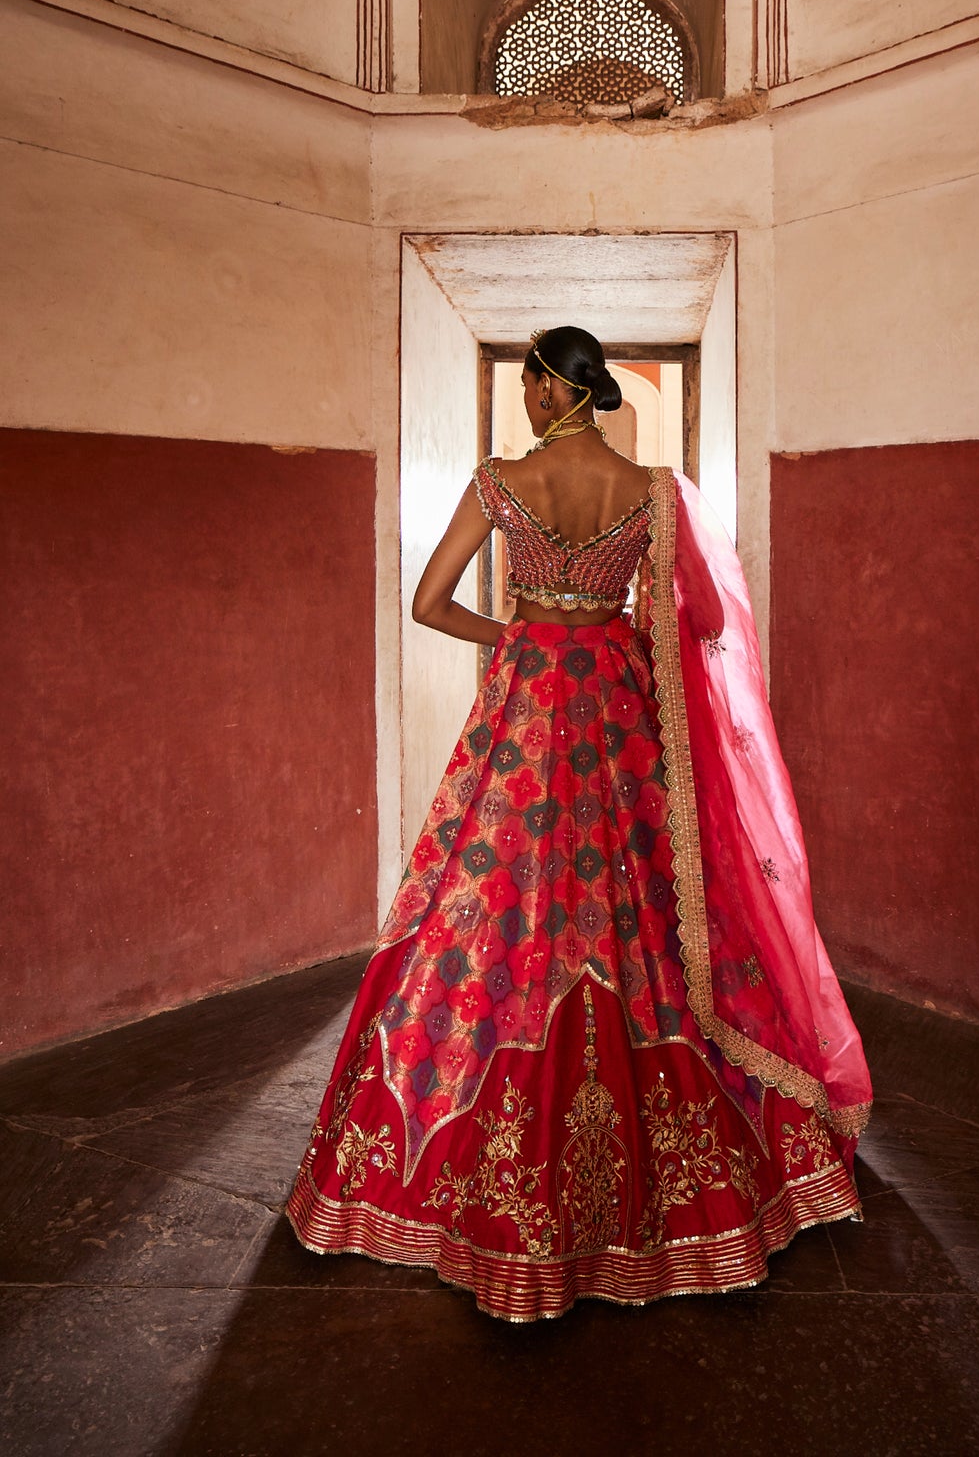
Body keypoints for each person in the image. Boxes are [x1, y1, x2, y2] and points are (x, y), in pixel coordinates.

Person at [286, 325, 871, 1321]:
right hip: (615, 699)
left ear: (555, 391)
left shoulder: (499, 481)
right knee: (644, 900)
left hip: (527, 705)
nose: (527, 403)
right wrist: (626, 638)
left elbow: (432, 603)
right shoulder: (651, 488)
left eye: (531, 387)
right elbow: (706, 624)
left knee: (499, 898)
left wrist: (515, 632)